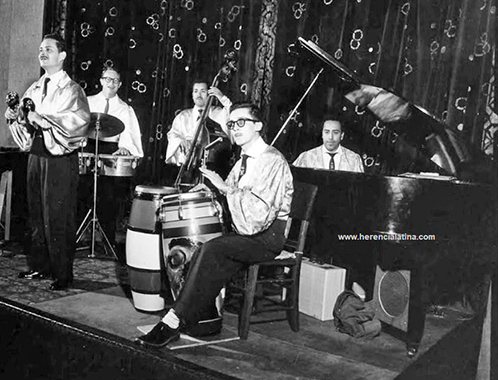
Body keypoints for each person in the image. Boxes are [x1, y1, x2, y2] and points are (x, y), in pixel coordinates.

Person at [136, 103, 294, 347]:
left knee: (213, 249)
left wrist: (223, 188)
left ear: (259, 126)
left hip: (267, 237)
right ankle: (192, 315)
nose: (235, 128)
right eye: (231, 124)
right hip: (246, 232)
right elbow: (234, 195)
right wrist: (210, 189)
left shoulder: (272, 160)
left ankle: (173, 321)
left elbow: (257, 218)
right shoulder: (244, 159)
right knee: (205, 247)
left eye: (242, 122)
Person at [5, 33, 91, 290]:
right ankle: (40, 266)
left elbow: (78, 121)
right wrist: (15, 116)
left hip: (60, 159)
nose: (42, 53)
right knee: (36, 214)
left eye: (49, 49)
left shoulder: (72, 90)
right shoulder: (34, 87)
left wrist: (44, 120)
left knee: (58, 216)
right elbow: (26, 122)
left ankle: (62, 273)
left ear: (62, 55)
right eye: (41, 49)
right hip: (36, 156)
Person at [80, 65, 144, 249]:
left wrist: (124, 148)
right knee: (83, 193)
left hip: (111, 151)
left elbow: (129, 134)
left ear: (120, 84)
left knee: (108, 198)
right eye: (107, 79)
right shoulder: (88, 102)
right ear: (101, 81)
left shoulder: (125, 109)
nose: (111, 83)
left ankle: (107, 240)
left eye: (115, 80)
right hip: (88, 148)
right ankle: (80, 237)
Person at [165, 79, 233, 179]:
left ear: (210, 93)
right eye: (195, 91)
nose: (199, 95)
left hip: (213, 168)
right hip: (187, 167)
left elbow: (234, 114)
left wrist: (222, 98)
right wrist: (181, 141)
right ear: (192, 95)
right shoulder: (183, 116)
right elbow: (172, 134)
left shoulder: (219, 113)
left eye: (203, 91)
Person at [293, 118, 364, 173]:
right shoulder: (306, 157)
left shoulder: (354, 160)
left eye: (335, 132)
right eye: (326, 132)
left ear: (342, 135)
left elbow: (359, 188)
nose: (330, 137)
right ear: (322, 134)